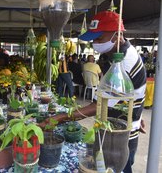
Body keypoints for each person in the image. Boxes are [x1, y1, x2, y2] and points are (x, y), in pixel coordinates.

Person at [39, 11, 146, 173]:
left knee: (117, 168)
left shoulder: (124, 62)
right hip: (113, 126)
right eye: (94, 39)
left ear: (116, 35)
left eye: (99, 38)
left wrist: (60, 118)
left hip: (120, 136)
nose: (95, 44)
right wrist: (139, 111)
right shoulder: (118, 54)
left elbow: (98, 106)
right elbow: (133, 91)